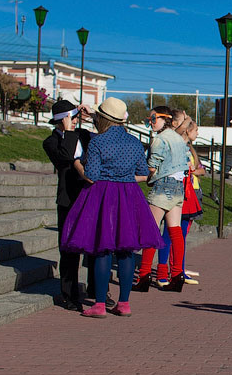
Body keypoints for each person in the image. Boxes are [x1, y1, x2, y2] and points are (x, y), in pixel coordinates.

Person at [60, 98, 162, 317]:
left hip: (102, 196)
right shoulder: (134, 142)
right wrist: (123, 178)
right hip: (128, 194)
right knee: (126, 250)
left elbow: (92, 176)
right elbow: (144, 173)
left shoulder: (98, 142)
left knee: (102, 249)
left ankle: (98, 305)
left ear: (103, 118)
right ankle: (124, 303)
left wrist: (77, 163)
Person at [42, 99, 95, 311]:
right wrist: (68, 131)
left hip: (88, 196)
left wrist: (91, 116)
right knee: (69, 249)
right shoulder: (51, 141)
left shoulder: (84, 134)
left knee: (94, 246)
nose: (74, 121)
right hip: (68, 199)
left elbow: (106, 138)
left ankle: (96, 289)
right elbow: (64, 158)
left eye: (75, 117)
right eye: (71, 118)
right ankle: (69, 294)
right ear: (61, 120)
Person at [134, 106, 191, 292]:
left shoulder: (159, 140)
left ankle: (143, 276)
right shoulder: (179, 140)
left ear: (163, 119)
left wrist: (145, 178)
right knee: (175, 232)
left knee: (151, 231)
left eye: (153, 118)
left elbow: (151, 168)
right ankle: (177, 275)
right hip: (177, 187)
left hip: (162, 186)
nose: (151, 122)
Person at [156, 121, 206, 286]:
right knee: (170, 233)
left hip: (190, 192)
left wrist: (192, 169)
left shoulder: (189, 148)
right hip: (177, 191)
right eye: (196, 130)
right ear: (187, 130)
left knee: (181, 234)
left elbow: (201, 169)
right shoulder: (173, 146)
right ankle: (163, 271)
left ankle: (178, 269)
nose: (198, 133)